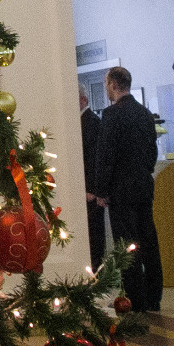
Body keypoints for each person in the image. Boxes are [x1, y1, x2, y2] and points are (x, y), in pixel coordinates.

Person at [99, 67, 165, 314]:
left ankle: (135, 299)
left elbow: (107, 155)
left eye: (107, 84)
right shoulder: (145, 114)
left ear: (114, 85)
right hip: (144, 185)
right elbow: (151, 153)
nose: (107, 88)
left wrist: (101, 189)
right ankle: (154, 296)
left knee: (127, 244)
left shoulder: (111, 116)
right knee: (149, 240)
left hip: (121, 189)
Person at [77, 82, 114, 268]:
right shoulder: (79, 123)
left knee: (95, 238)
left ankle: (97, 276)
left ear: (83, 100)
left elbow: (95, 159)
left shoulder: (91, 122)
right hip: (84, 190)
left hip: (90, 192)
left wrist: (92, 189)